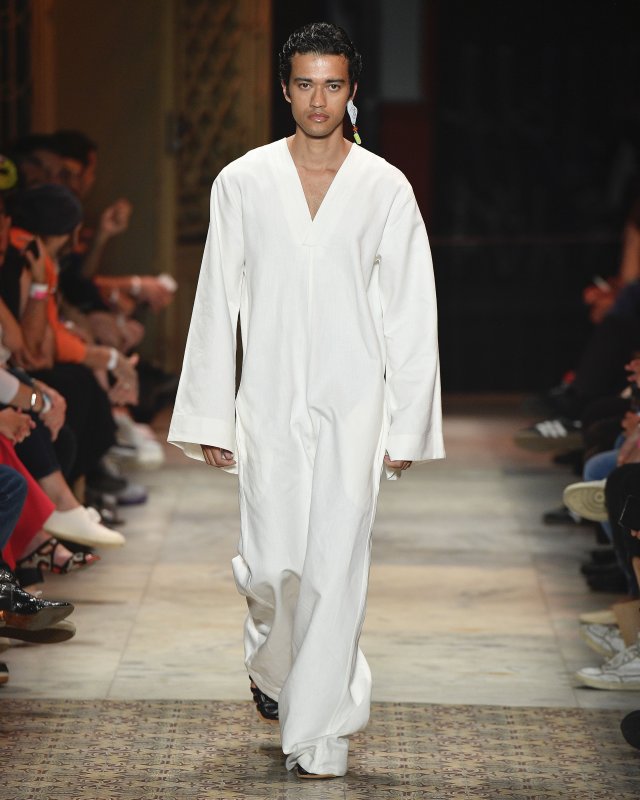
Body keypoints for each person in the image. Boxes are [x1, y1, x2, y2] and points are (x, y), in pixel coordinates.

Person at [169, 22, 444, 779]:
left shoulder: (385, 186)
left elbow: (410, 309)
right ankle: (273, 666)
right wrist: (209, 413)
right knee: (272, 568)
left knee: (336, 566)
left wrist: (407, 424)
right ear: (283, 89)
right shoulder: (243, 180)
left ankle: (321, 730)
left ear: (352, 91)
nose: (318, 100)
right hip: (267, 398)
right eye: (304, 84)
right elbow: (216, 300)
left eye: (332, 84)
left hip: (355, 402)